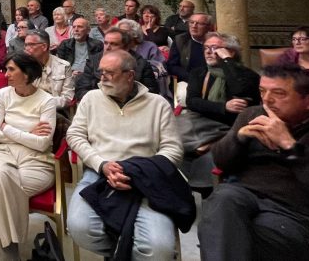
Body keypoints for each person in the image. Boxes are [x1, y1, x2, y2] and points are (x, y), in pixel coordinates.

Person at [67, 50, 186, 261]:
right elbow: (75, 135)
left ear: (130, 75)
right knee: (79, 228)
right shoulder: (91, 99)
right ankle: (121, 252)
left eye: (109, 73)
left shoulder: (157, 104)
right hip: (100, 173)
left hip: (147, 179)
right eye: (101, 71)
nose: (102, 77)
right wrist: (101, 164)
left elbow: (173, 149)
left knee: (160, 249)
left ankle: (123, 251)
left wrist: (140, 170)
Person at [197, 66, 309, 261]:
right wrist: (238, 139)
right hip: (244, 194)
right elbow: (221, 162)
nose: (267, 100)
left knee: (228, 233)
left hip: (293, 211)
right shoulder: (253, 114)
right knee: (222, 200)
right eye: (262, 91)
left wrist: (290, 146)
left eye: (279, 93)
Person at [0, 53, 57, 261]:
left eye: (11, 70)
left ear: (26, 74)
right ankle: (10, 249)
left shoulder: (47, 101)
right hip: (3, 153)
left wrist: (8, 128)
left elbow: (43, 143)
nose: (5, 74)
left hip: (37, 160)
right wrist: (28, 133)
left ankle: (3, 255)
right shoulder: (3, 94)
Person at [178, 32, 260, 192]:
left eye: (215, 48)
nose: (208, 52)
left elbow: (240, 91)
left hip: (231, 127)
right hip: (201, 123)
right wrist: (223, 107)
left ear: (231, 52)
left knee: (208, 157)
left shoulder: (247, 76)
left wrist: (227, 61)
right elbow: (193, 102)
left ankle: (204, 189)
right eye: (206, 48)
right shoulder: (199, 72)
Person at [76, 27, 160, 100]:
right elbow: (81, 90)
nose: (107, 47)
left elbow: (151, 93)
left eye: (113, 44)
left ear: (126, 48)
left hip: (130, 106)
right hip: (100, 104)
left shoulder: (141, 64)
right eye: (106, 43)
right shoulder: (93, 61)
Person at [168, 12, 213, 79]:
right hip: (187, 79)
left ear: (209, 27)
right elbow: (172, 65)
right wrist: (190, 77)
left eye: (199, 23)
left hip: (212, 78)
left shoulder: (215, 42)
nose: (194, 26)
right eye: (191, 22)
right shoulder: (180, 40)